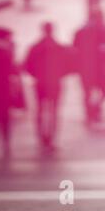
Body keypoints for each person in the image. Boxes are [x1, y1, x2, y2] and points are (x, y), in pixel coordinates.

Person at [24, 23, 69, 152]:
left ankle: (42, 137)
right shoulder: (60, 47)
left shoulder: (35, 48)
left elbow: (27, 66)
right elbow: (67, 65)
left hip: (41, 83)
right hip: (54, 83)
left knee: (40, 110)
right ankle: (51, 138)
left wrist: (37, 75)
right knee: (54, 111)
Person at [73, 10, 105, 126]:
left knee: (87, 92)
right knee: (100, 90)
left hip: (85, 67)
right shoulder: (103, 31)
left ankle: (89, 113)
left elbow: (75, 49)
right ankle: (96, 110)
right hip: (99, 67)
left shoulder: (80, 31)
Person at [0, 28, 15, 158]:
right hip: (3, 90)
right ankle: (6, 143)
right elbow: (12, 72)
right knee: (5, 118)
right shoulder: (6, 53)